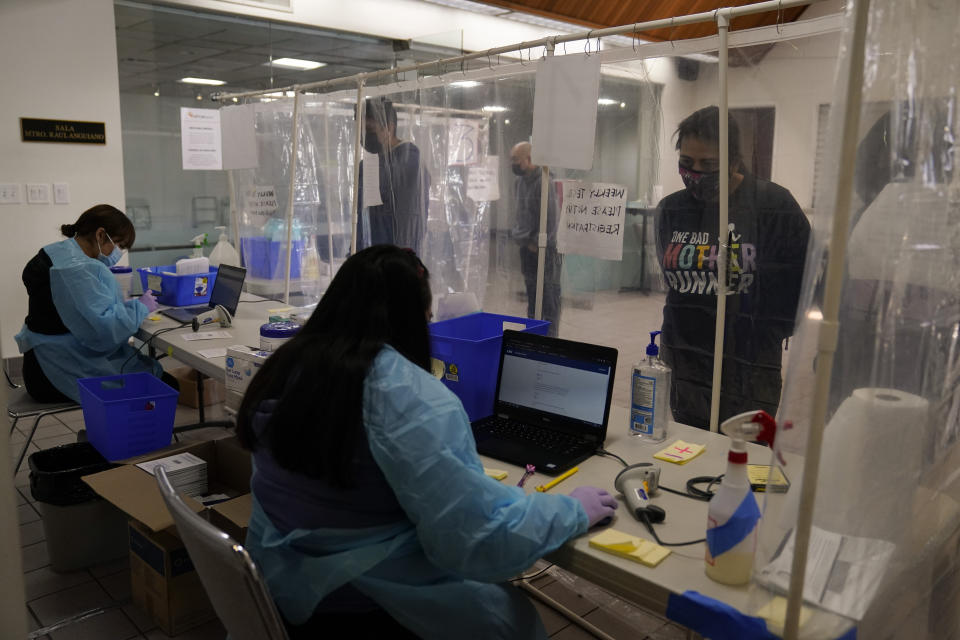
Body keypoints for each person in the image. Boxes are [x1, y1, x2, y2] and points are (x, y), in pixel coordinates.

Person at [236, 245, 616, 639]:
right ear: (415, 320)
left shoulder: (289, 366)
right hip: (364, 608)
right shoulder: (409, 396)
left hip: (282, 595)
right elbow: (475, 538)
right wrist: (571, 511)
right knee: (507, 619)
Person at [655, 106, 811, 429]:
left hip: (749, 368)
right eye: (686, 163)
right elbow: (673, 279)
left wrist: (764, 330)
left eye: (708, 165)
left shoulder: (773, 206)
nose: (695, 173)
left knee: (740, 461)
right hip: (685, 362)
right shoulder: (672, 209)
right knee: (689, 455)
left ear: (734, 161)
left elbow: (806, 282)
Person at [15, 204, 175, 403]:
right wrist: (140, 307)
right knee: (161, 382)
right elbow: (104, 331)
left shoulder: (57, 253)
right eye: (118, 244)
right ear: (100, 235)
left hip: (41, 362)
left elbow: (81, 310)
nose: (119, 252)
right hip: (57, 372)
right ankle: (126, 433)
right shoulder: (77, 270)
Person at [357, 98, 430, 255]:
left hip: (396, 253)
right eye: (360, 130)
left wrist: (401, 257)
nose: (364, 136)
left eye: (369, 129)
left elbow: (409, 217)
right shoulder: (369, 164)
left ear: (389, 127)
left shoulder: (409, 161)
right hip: (370, 251)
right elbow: (362, 212)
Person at [510, 141, 562, 337]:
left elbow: (550, 220)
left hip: (543, 251)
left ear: (529, 159)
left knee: (548, 298)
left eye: (516, 160)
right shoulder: (520, 182)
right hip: (527, 248)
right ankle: (533, 338)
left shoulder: (544, 181)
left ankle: (549, 340)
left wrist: (537, 243)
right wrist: (522, 238)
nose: (513, 164)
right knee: (532, 297)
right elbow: (520, 216)